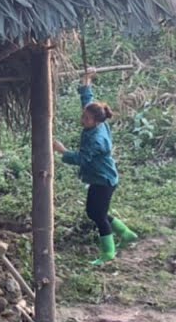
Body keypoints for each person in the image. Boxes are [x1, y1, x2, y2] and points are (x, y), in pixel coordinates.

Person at [53, 76, 139, 266]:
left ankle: (108, 252)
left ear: (95, 121)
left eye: (86, 118)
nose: (82, 119)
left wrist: (62, 150)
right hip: (100, 177)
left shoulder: (96, 140)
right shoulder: (98, 120)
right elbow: (88, 103)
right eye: (84, 116)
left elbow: (81, 158)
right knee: (95, 212)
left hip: (103, 179)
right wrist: (86, 82)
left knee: (97, 214)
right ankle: (126, 234)